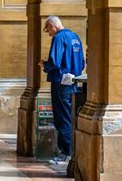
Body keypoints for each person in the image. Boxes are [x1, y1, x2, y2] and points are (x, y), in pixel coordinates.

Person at [38, 16, 85, 165]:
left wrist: (44, 65)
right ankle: (72, 151)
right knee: (71, 116)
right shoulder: (75, 37)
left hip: (61, 83)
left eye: (47, 30)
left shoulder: (59, 38)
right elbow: (82, 62)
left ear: (52, 25)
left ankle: (65, 153)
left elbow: (55, 62)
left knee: (62, 117)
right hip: (74, 82)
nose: (48, 33)